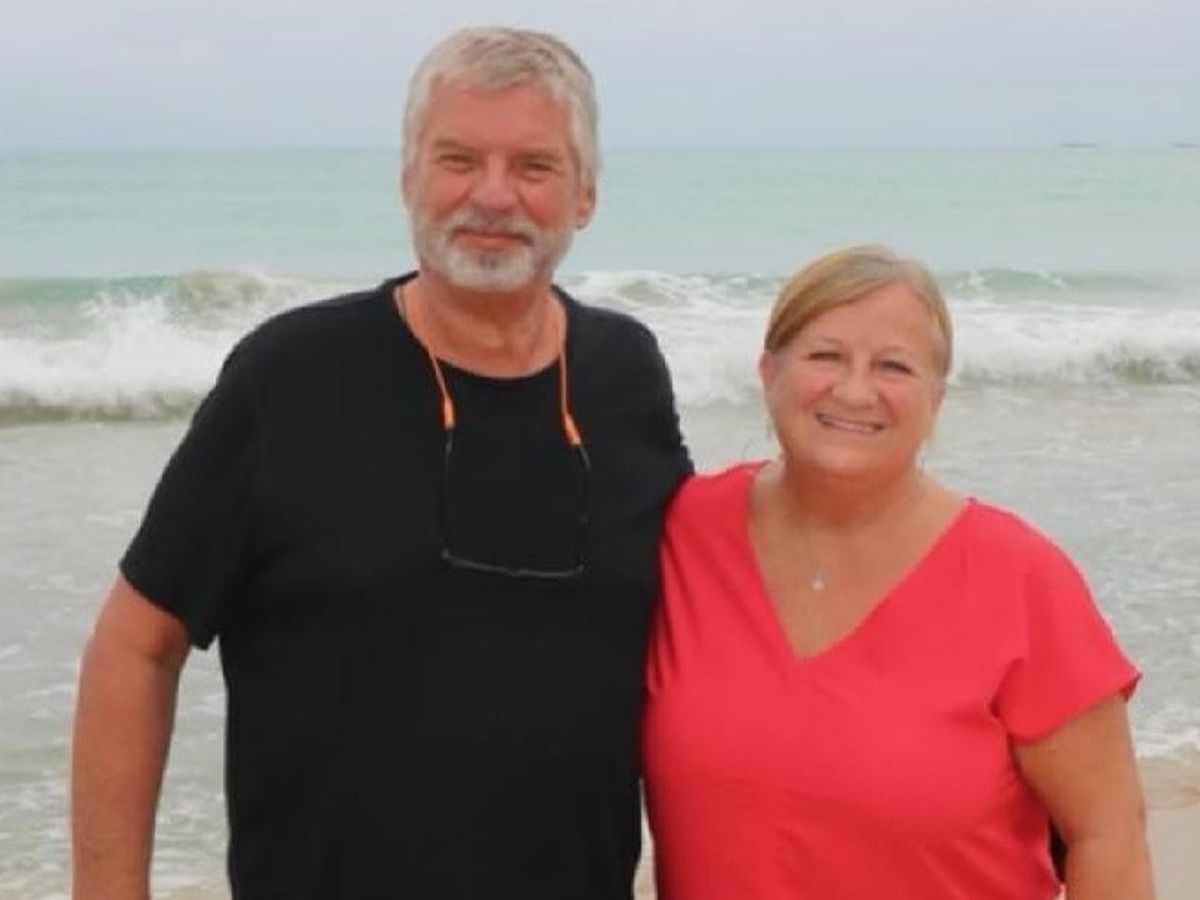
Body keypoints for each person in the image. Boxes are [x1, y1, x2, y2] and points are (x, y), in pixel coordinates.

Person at [71, 27, 690, 900]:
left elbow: (712, 615)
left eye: (534, 166)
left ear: (584, 194)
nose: (493, 195)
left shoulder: (628, 373)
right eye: (458, 159)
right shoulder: (289, 377)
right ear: (408, 179)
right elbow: (137, 644)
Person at [642, 245, 1152, 898]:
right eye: (825, 356)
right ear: (769, 373)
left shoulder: (1021, 578)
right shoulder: (685, 532)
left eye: (893, 366)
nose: (855, 390)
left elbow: (1108, 833)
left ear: (935, 396)